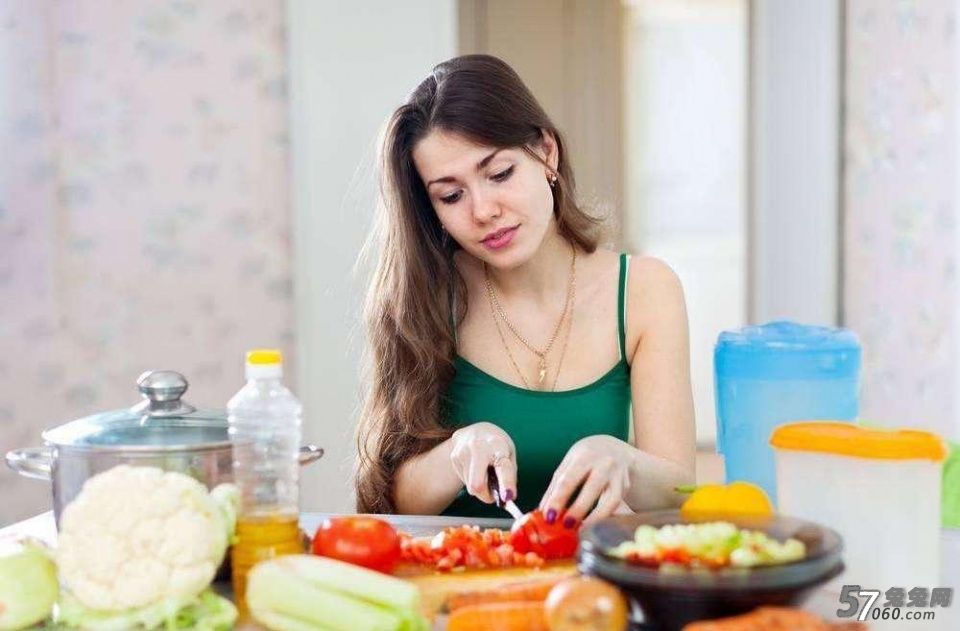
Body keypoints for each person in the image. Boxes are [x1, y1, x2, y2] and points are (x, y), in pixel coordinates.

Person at [356, 54, 695, 526]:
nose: (483, 210)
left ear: (546, 153)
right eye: (451, 195)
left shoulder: (645, 290)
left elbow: (679, 490)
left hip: (584, 580)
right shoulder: (423, 297)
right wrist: (457, 451)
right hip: (456, 575)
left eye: (499, 174)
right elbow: (389, 503)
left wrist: (624, 460)